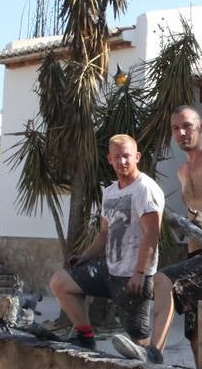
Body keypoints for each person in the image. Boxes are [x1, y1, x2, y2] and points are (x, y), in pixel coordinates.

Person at [113, 105, 202, 369]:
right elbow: (198, 214)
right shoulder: (183, 171)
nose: (181, 133)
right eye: (175, 128)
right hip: (196, 255)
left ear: (201, 125)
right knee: (198, 335)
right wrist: (191, 225)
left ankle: (153, 352)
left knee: (162, 280)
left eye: (187, 126)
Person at [48, 134, 164, 351]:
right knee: (60, 282)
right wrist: (85, 257)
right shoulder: (110, 192)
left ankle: (152, 368)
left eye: (127, 156)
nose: (122, 162)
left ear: (137, 157)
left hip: (134, 275)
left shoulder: (145, 189)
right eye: (117, 157)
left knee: (138, 339)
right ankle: (85, 337)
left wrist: (140, 272)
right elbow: (104, 233)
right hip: (108, 270)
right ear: (109, 159)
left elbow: (151, 233)